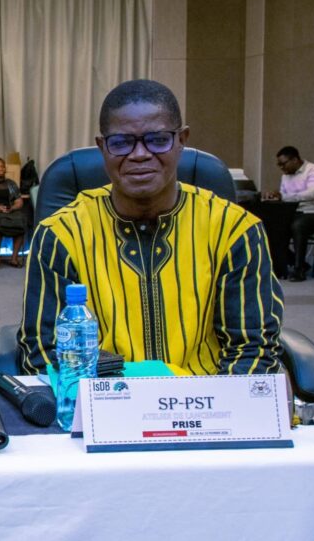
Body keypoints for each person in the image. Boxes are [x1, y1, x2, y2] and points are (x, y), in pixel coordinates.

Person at [19, 79, 282, 376]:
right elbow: (45, 351)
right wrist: (127, 392)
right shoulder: (62, 233)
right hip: (101, 399)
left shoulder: (234, 229)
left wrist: (206, 403)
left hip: (207, 398)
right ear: (102, 147)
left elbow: (252, 348)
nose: (140, 154)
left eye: (157, 140)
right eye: (121, 142)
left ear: (182, 140)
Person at [263, 146, 314, 282]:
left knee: (298, 225)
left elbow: (313, 193)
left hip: (312, 212)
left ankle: (299, 270)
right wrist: (275, 197)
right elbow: (283, 195)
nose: (281, 168)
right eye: (279, 165)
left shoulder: (313, 170)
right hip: (292, 212)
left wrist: (285, 197)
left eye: (283, 164)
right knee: (270, 227)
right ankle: (287, 265)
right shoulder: (285, 176)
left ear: (295, 160)